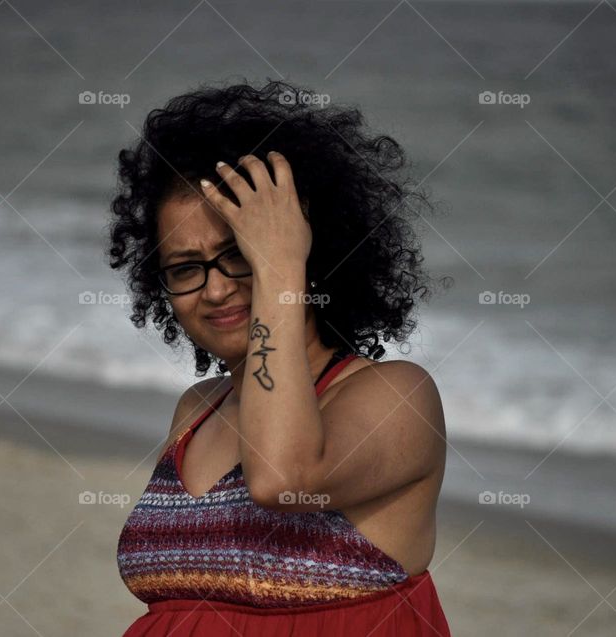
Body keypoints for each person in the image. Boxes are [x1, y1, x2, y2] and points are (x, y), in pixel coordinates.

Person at [108, 79, 452, 636]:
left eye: (238, 255)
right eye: (185, 268)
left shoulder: (400, 396)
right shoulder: (196, 409)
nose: (215, 291)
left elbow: (283, 477)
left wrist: (279, 266)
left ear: (307, 253)